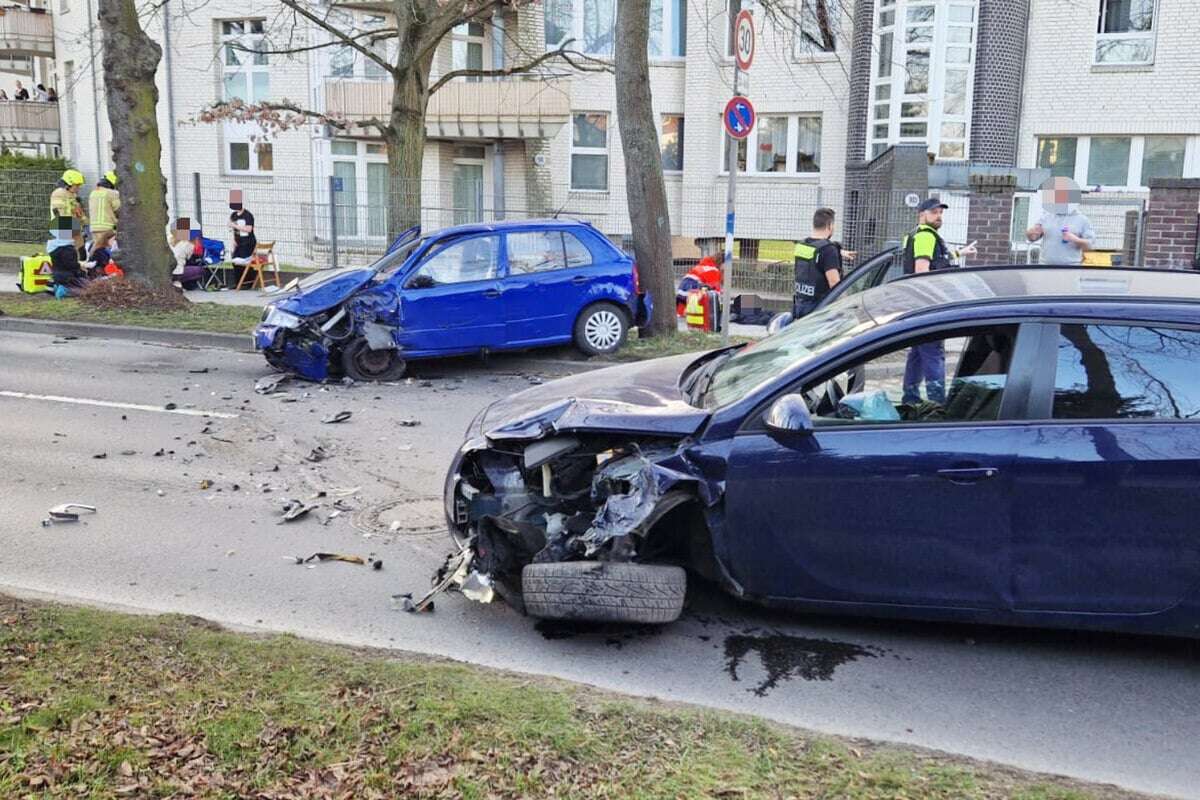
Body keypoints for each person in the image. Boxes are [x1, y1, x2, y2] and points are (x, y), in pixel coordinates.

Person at [899, 198, 976, 406]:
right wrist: (933, 305)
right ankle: (938, 403)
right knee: (934, 353)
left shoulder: (916, 234)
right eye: (934, 212)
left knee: (917, 353)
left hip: (915, 302)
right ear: (922, 214)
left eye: (941, 213)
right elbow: (922, 270)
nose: (939, 216)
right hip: (927, 304)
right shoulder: (926, 236)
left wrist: (960, 253)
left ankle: (910, 398)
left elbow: (937, 260)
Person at [1026, 176, 1097, 265]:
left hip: (1069, 268)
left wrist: (1075, 239)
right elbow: (1033, 237)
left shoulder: (1082, 220)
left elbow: (1089, 246)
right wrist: (1031, 234)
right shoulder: (1046, 216)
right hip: (1045, 267)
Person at [792, 207, 844, 319]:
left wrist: (840, 253)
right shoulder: (829, 250)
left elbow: (816, 254)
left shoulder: (801, 245)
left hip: (800, 306)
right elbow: (834, 284)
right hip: (819, 310)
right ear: (829, 226)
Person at [47, 217, 88, 296]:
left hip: (57, 275)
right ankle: (65, 290)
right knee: (85, 288)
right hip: (67, 277)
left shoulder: (54, 246)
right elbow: (70, 265)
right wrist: (81, 267)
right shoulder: (67, 248)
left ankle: (57, 286)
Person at [88, 171, 120, 237]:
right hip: (107, 227)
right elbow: (118, 209)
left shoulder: (93, 193)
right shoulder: (111, 193)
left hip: (94, 227)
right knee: (108, 246)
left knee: (98, 246)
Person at [228, 193, 256, 266]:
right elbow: (233, 230)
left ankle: (247, 276)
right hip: (238, 243)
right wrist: (233, 241)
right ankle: (239, 277)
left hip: (247, 243)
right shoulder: (233, 215)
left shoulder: (248, 215)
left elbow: (249, 229)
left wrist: (235, 225)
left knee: (244, 263)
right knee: (235, 262)